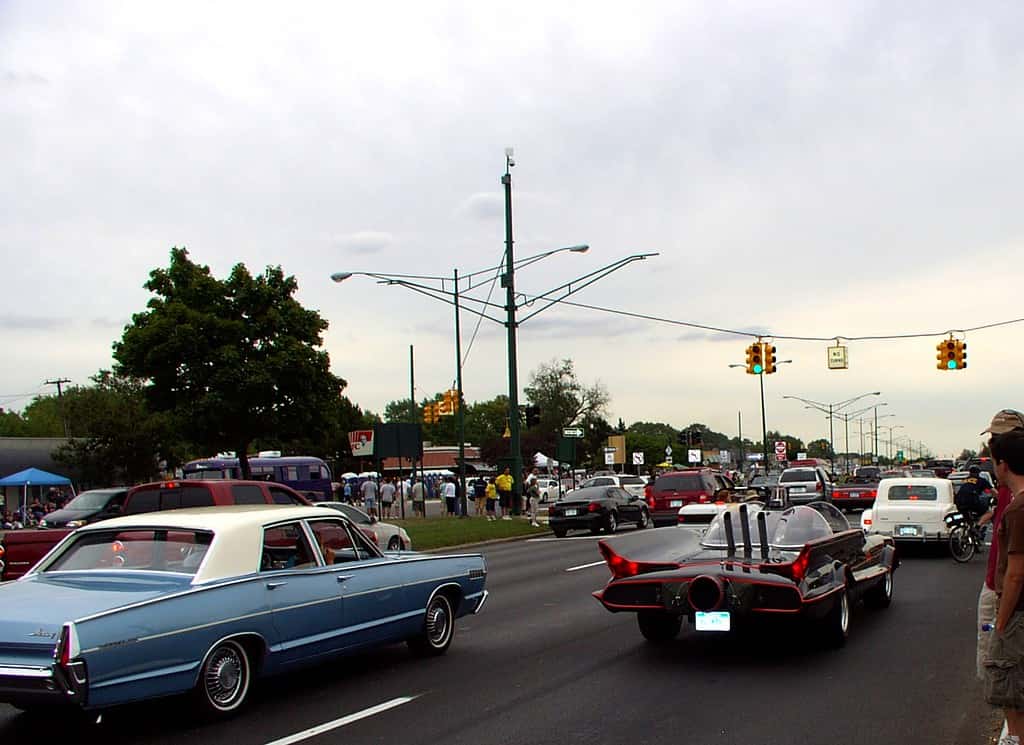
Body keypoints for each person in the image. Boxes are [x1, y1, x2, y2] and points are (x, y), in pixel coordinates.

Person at [979, 410, 1024, 682]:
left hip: (1007, 595)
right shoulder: (1007, 487)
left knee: (999, 673)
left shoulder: (1018, 501)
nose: (992, 443)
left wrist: (1001, 623)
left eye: (996, 438)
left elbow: (1017, 572)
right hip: (998, 586)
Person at [985, 428, 1024, 743]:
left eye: (994, 461)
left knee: (1012, 689)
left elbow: (1016, 573)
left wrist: (1001, 622)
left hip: (1018, 613)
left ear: (1004, 465)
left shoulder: (1018, 509)